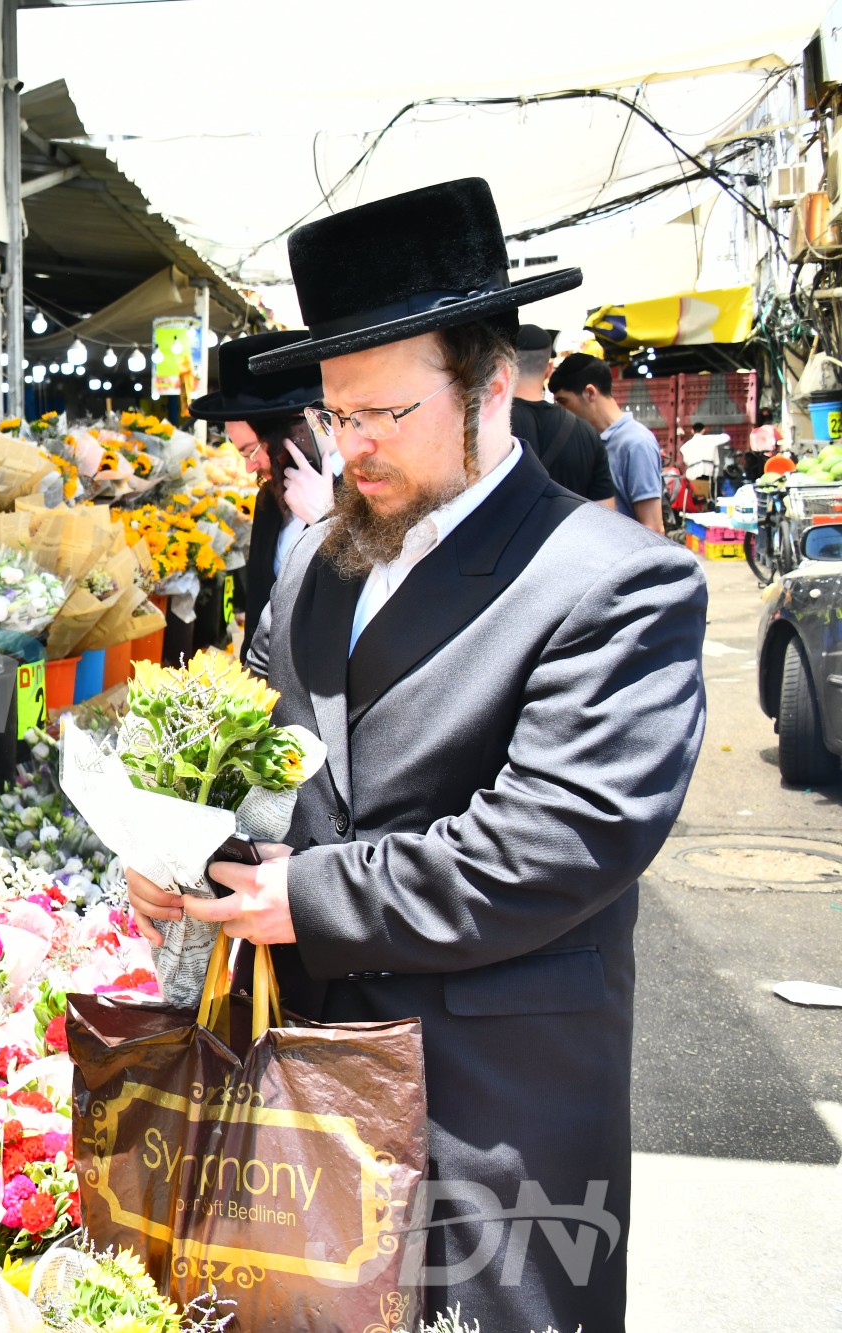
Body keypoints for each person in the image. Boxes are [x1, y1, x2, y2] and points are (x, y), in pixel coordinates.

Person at [130, 177, 705, 1333]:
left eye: (382, 417)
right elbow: (277, 764)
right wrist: (188, 850)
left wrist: (304, 894)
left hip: (487, 1097)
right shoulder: (318, 562)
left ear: (490, 389)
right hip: (305, 1074)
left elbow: (553, 842)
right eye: (336, 417)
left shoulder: (611, 580)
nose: (351, 452)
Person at [192, 330, 330, 665]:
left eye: (251, 450)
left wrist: (328, 521)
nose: (249, 465)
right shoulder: (268, 499)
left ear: (291, 428)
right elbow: (257, 606)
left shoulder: (365, 488)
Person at [548, 352, 665, 530]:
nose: (560, 411)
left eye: (563, 402)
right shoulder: (587, 441)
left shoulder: (636, 443)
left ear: (590, 393)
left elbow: (653, 526)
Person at [508, 325, 615, 508]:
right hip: (573, 535)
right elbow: (605, 513)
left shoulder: (487, 428)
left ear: (505, 367)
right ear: (549, 369)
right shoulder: (588, 433)